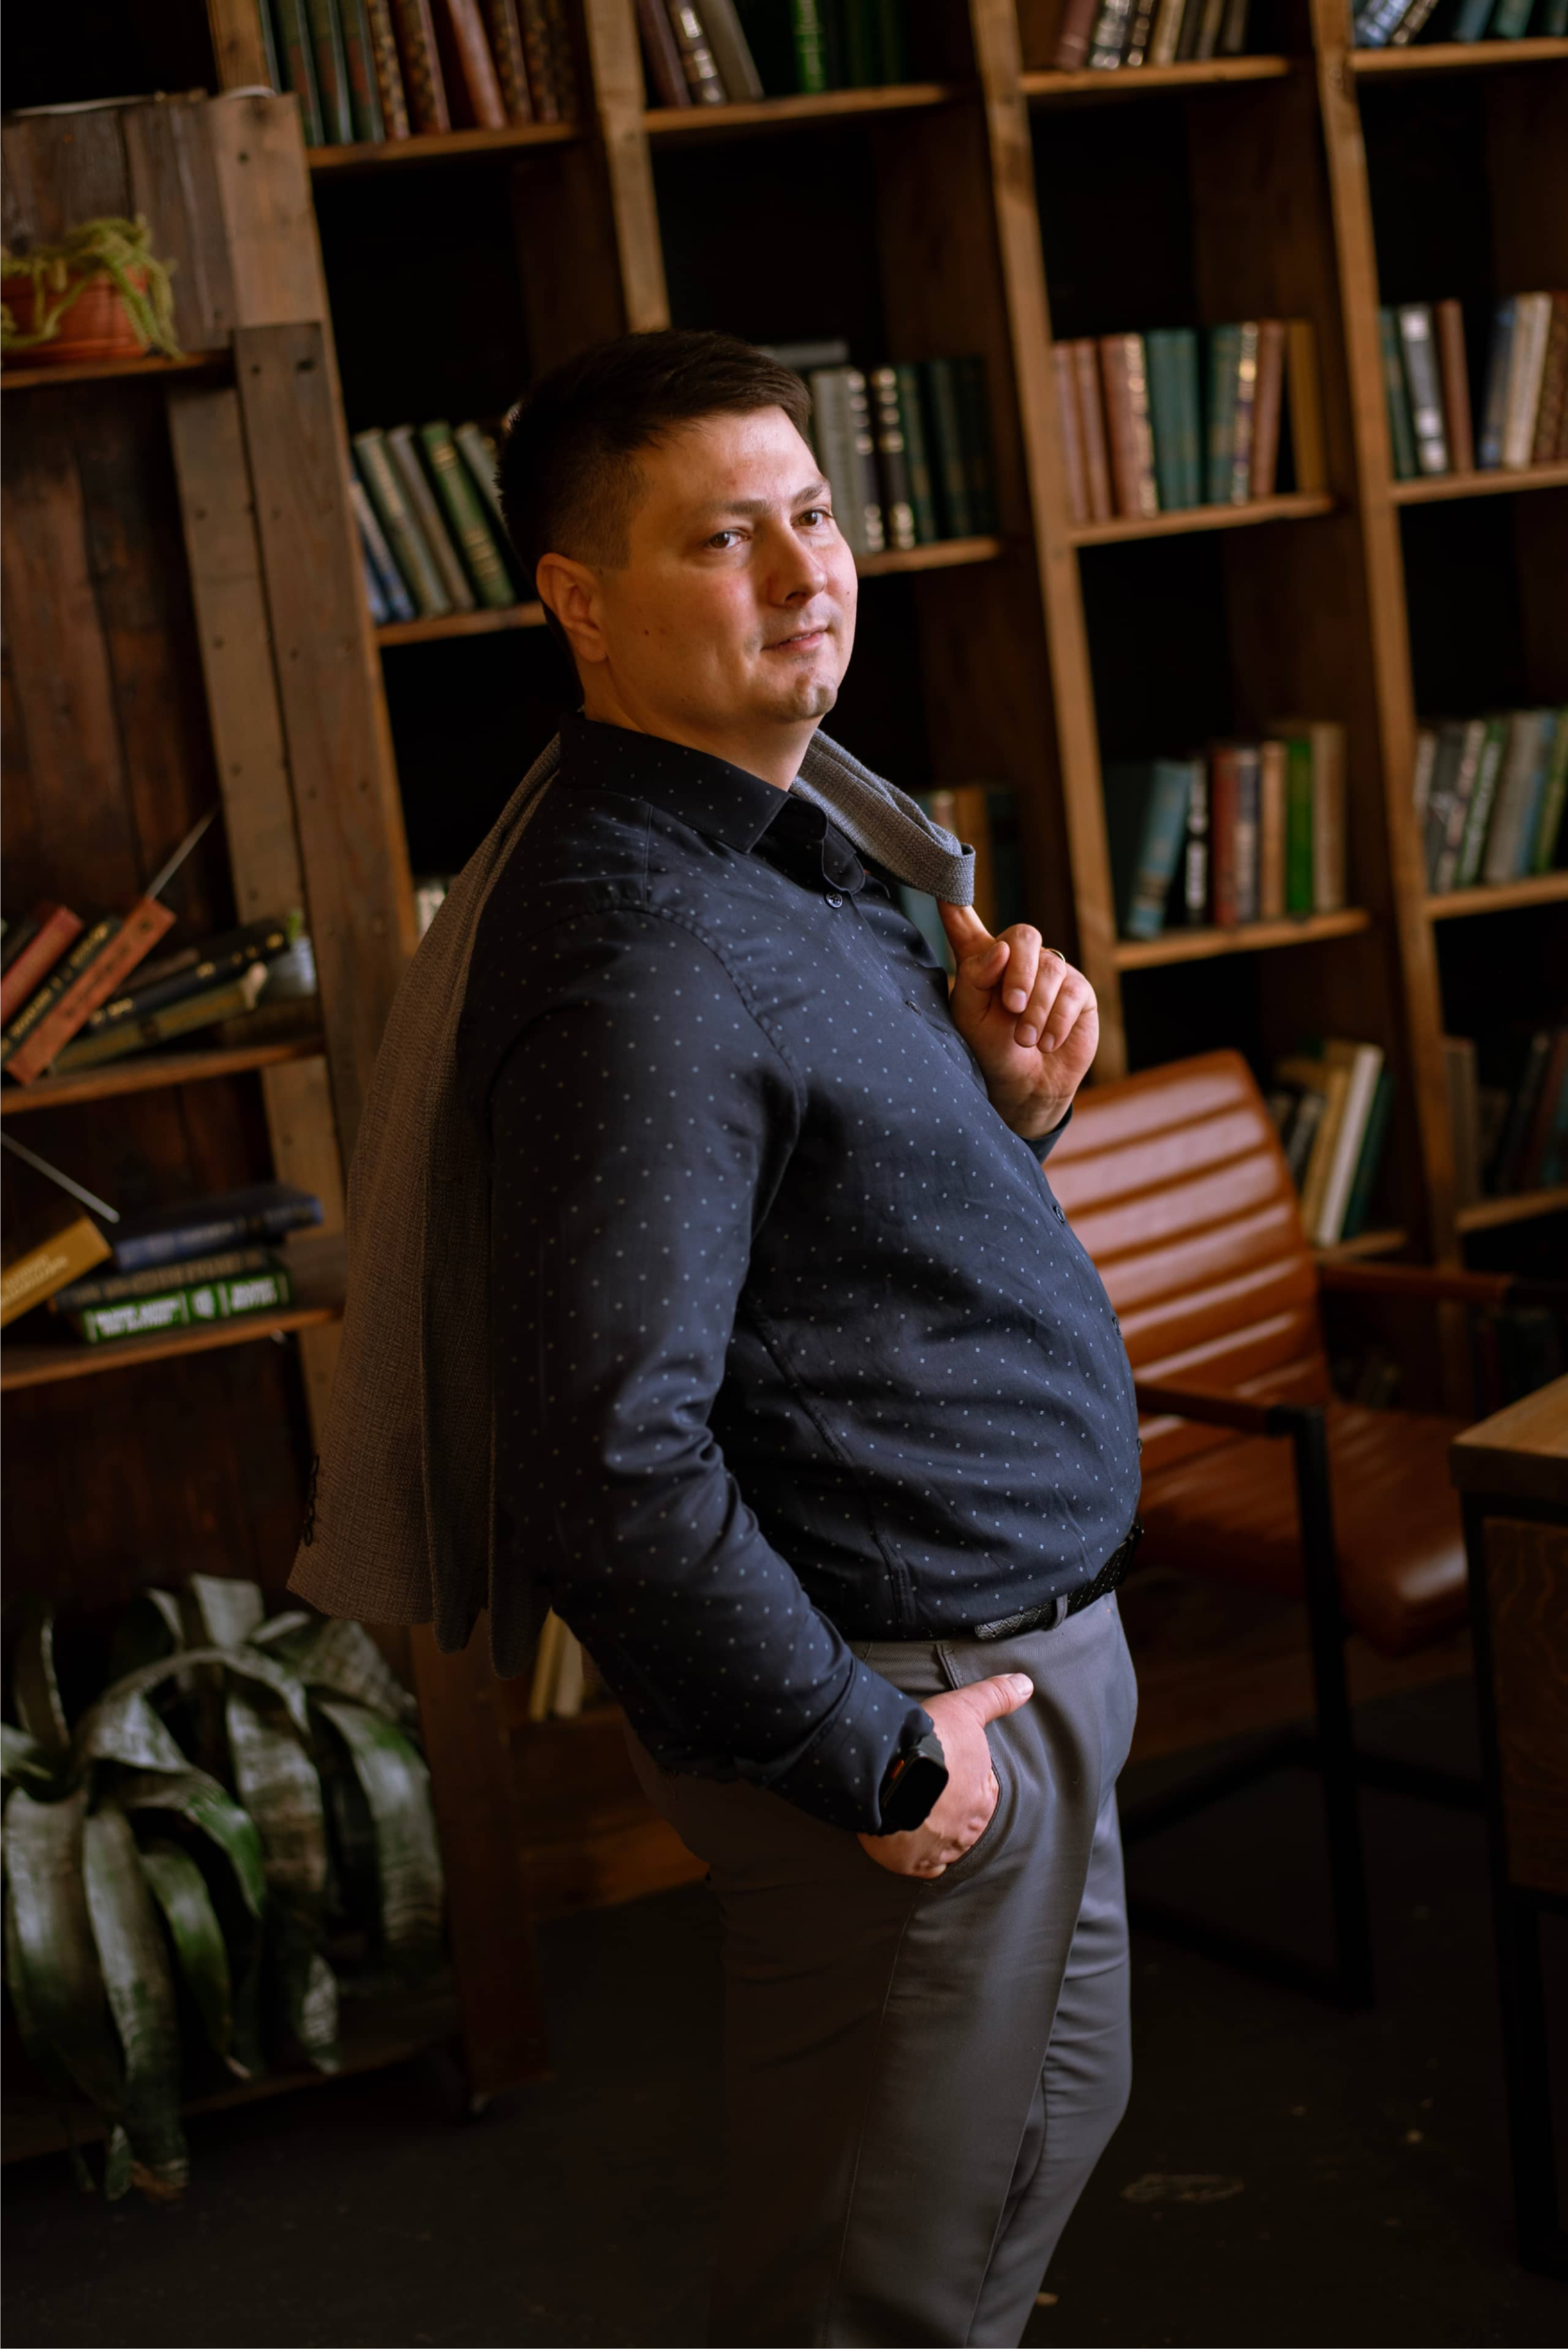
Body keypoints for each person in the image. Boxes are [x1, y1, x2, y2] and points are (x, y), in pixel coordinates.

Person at [295, 328, 1142, 2349]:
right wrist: (875, 1765)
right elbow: (609, 1455)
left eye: (813, 514)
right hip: (913, 1707)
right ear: (579, 602)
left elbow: (797, 1255)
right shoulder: (643, 950)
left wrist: (1004, 1111)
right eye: (721, 539)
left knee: (1009, 2187)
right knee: (873, 2289)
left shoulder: (782, 843)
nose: (804, 571)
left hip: (1007, 1664)